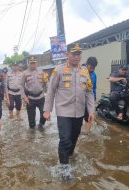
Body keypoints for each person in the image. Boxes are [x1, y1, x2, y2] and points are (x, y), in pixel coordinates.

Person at [43, 43, 95, 180]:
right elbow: (51, 91)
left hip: (79, 112)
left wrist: (91, 111)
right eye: (74, 54)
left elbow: (89, 93)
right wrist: (47, 110)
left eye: (79, 54)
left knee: (74, 137)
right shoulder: (58, 70)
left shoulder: (85, 72)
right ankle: (64, 169)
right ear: (67, 55)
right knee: (65, 139)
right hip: (63, 111)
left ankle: (69, 155)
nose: (77, 56)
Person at [21, 56, 48, 129]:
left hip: (41, 96)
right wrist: (24, 97)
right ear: (29, 63)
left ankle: (41, 125)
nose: (33, 64)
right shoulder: (24, 73)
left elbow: (46, 84)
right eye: (31, 63)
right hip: (30, 98)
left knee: (44, 113)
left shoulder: (41, 71)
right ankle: (32, 133)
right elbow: (21, 86)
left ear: (36, 63)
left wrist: (46, 91)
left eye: (34, 63)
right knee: (31, 117)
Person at [83, 57, 98, 133]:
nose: (92, 69)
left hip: (89, 100)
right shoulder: (79, 71)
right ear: (86, 64)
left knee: (89, 118)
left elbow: (94, 89)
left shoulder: (94, 75)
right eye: (90, 67)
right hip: (79, 100)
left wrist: (94, 100)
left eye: (94, 68)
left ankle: (86, 134)